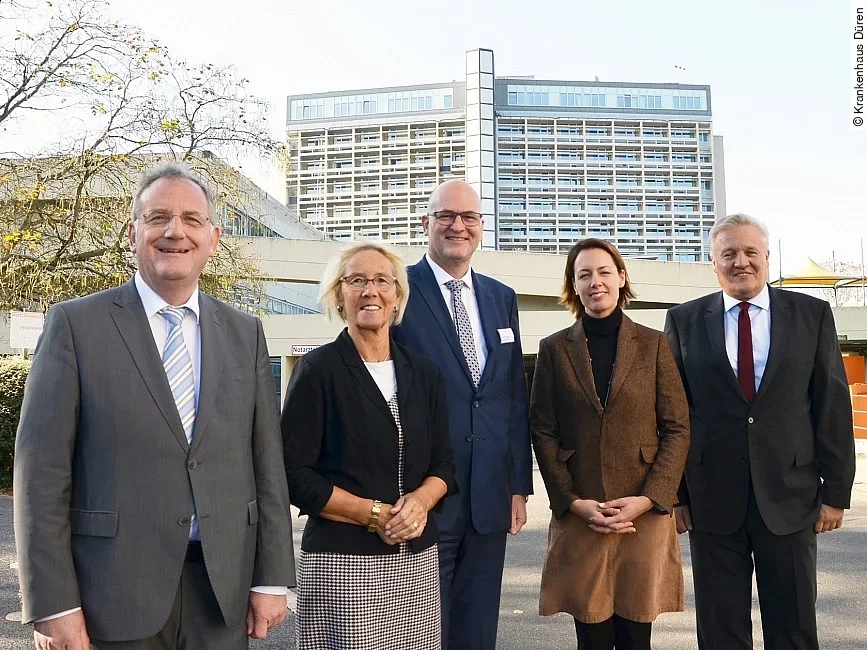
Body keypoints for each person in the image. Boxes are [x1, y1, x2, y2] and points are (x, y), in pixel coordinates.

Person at [13, 163, 295, 649]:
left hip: (220, 593)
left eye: (191, 219)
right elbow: (40, 473)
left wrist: (270, 578)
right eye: (158, 216)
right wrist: (54, 603)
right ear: (133, 233)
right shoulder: (76, 326)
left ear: (214, 237)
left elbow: (265, 465)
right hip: (110, 595)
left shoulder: (244, 332)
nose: (174, 231)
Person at [664, 213, 857, 650]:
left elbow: (831, 406)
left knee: (793, 625)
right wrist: (676, 495)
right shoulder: (683, 321)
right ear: (713, 263)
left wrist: (835, 492)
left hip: (791, 496)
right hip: (711, 501)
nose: (741, 262)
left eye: (751, 252)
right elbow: (673, 416)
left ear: (767, 257)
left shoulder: (812, 315)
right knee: (720, 628)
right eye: (728, 253)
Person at [281, 240, 456, 650]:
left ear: (397, 296)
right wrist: (374, 515)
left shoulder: (425, 373)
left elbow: (444, 463)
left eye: (381, 280)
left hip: (416, 559)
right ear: (339, 296)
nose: (370, 291)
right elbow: (292, 473)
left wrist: (420, 504)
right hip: (342, 563)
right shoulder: (316, 371)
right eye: (356, 280)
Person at [391, 179, 533, 649]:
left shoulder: (501, 297)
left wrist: (518, 485)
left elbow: (511, 394)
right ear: (425, 223)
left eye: (468, 217)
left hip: (490, 493)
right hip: (424, 492)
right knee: (421, 631)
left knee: (477, 629)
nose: (458, 225)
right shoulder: (397, 289)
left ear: (481, 226)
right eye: (446, 216)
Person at [530, 238, 690, 650]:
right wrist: (570, 500)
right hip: (584, 513)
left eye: (604, 271)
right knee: (592, 637)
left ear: (621, 277)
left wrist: (651, 497)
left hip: (643, 514)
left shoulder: (655, 344)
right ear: (574, 285)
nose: (595, 281)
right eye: (584, 274)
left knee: (637, 636)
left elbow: (677, 427)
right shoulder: (552, 349)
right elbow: (543, 430)